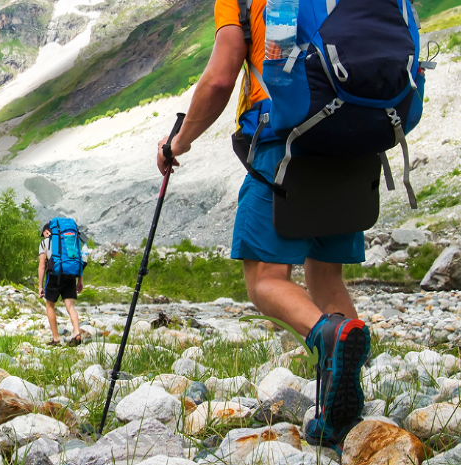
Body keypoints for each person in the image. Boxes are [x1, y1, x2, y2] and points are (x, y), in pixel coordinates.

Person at [155, 0, 371, 449]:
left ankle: (330, 340)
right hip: (354, 131)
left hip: (283, 136)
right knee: (325, 272)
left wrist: (179, 141)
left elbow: (219, 77)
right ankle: (344, 411)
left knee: (265, 280)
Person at [39, 223, 84, 347]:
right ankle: (76, 333)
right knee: (70, 307)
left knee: (49, 306)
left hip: (54, 276)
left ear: (47, 232)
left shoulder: (45, 243)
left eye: (43, 233)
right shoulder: (68, 241)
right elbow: (78, 260)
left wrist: (40, 286)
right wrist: (80, 281)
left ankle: (56, 339)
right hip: (70, 275)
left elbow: (42, 266)